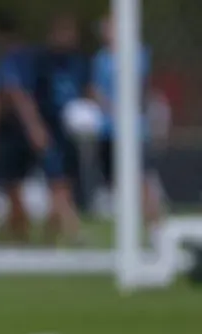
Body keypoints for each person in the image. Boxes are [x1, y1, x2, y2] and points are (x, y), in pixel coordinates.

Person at [90, 13, 164, 233]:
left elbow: (141, 88)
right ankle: (130, 229)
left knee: (140, 180)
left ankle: (155, 228)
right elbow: (96, 90)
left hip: (133, 129)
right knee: (116, 183)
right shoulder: (101, 59)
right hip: (108, 130)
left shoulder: (137, 54)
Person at [32, 14, 89, 245]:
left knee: (65, 183)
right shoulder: (42, 63)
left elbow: (87, 91)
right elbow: (31, 97)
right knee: (57, 182)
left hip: (71, 132)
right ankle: (75, 231)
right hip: (50, 129)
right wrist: (36, 127)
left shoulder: (79, 62)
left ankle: (48, 238)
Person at [0, 11, 46, 244]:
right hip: (21, 128)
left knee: (13, 184)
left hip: (15, 130)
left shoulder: (10, 59)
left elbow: (17, 95)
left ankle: (21, 234)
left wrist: (34, 127)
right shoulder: (28, 57)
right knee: (15, 185)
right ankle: (16, 231)